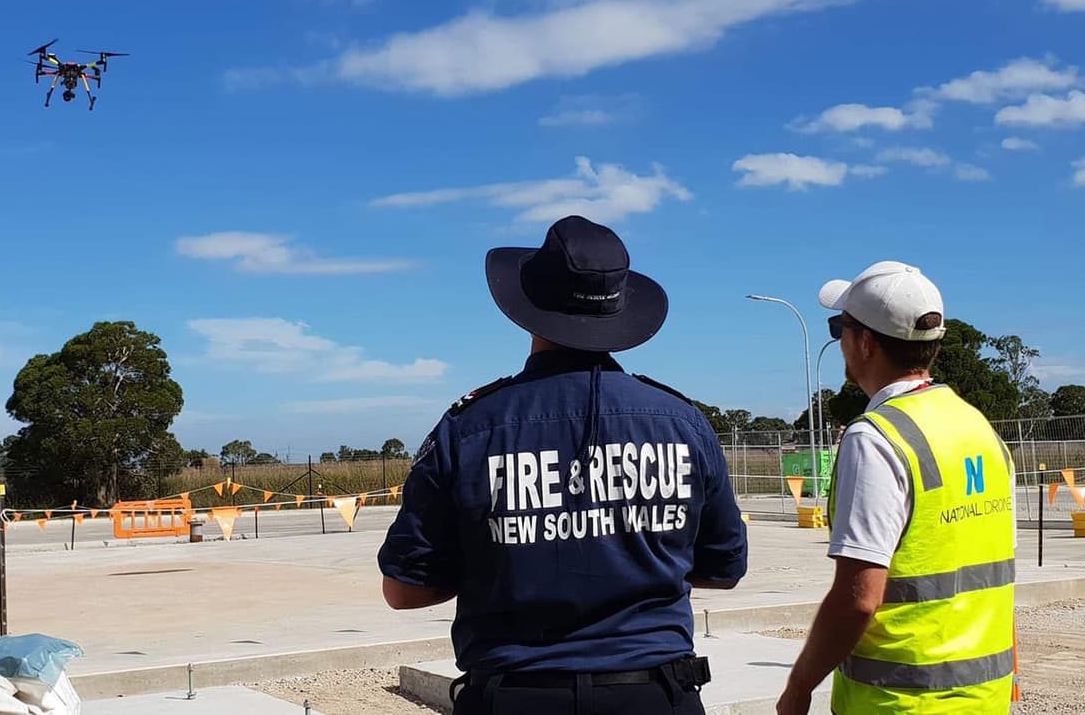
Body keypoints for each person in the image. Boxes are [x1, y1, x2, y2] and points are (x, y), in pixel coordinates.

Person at [378, 215, 748, 714]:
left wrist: (504, 561)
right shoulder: (682, 422)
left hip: (515, 696)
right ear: (621, 308)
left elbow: (404, 591)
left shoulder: (469, 428)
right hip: (656, 695)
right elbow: (724, 570)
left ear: (526, 310)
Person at [777, 262, 1016, 715]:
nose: (840, 341)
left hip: (899, 701)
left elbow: (858, 600)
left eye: (839, 328)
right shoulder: (979, 428)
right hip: (985, 698)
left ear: (865, 343)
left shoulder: (876, 439)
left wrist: (799, 687)